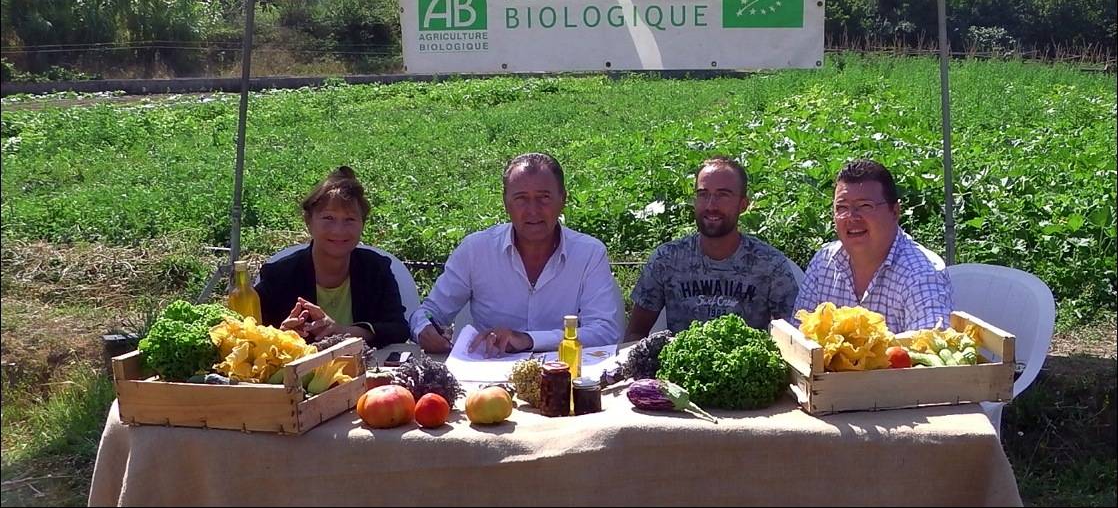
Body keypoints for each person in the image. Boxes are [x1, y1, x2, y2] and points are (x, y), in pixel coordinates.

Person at [411, 153, 623, 356]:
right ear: (506, 203)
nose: (533, 210)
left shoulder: (589, 254)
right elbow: (429, 312)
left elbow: (604, 332)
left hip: (562, 376)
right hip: (487, 379)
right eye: (521, 199)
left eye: (544, 198)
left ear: (563, 200)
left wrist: (527, 340)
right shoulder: (475, 250)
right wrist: (424, 328)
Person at [624, 156, 799, 341]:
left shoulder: (770, 265)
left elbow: (795, 340)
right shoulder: (667, 259)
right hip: (677, 368)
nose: (711, 205)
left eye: (723, 195)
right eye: (703, 194)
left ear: (743, 205)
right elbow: (635, 333)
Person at [255, 166, 409, 348]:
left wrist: (341, 331)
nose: (338, 230)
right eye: (328, 218)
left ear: (362, 224)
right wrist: (281, 335)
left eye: (350, 219)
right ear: (309, 222)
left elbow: (398, 328)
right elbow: (253, 334)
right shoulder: (278, 276)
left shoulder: (376, 269)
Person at [794, 159, 953, 333]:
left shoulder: (922, 273)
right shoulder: (823, 263)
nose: (852, 217)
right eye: (842, 207)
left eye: (865, 206)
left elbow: (929, 348)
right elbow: (797, 337)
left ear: (895, 212)